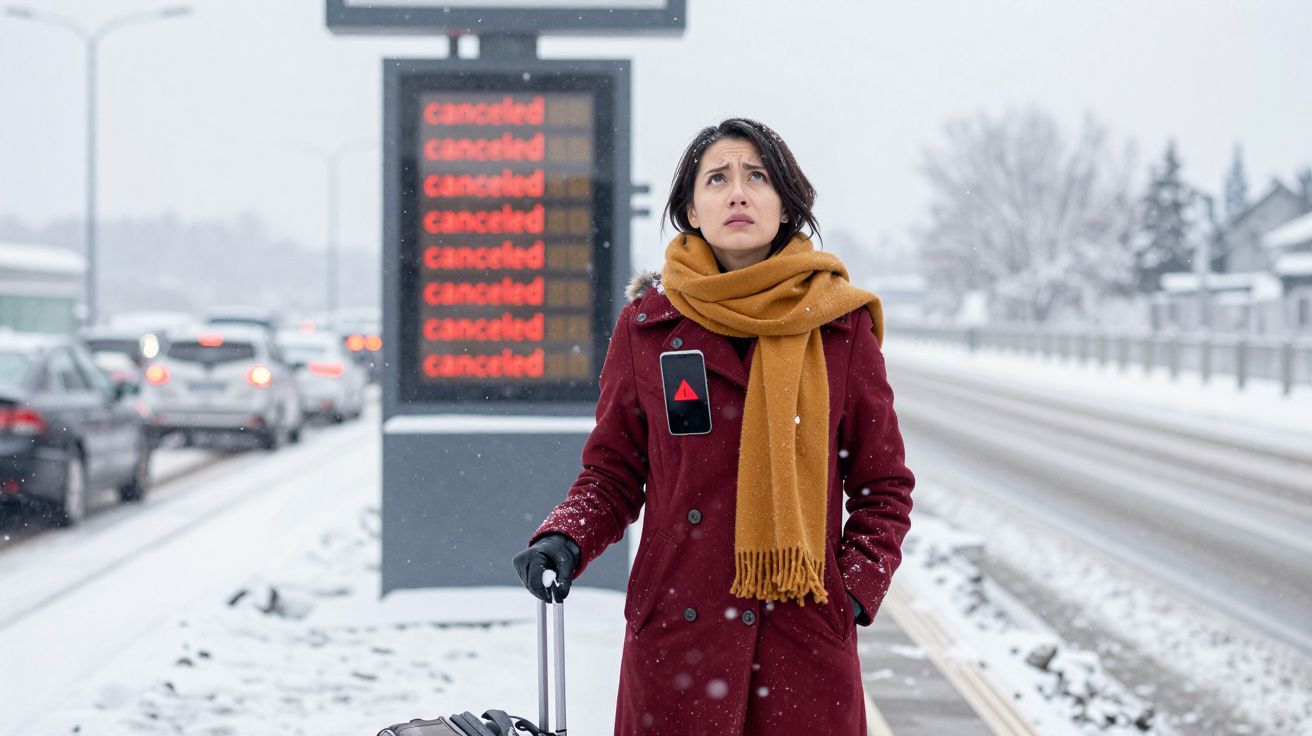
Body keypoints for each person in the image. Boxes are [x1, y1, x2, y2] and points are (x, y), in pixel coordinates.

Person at [512, 118, 915, 735]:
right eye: (718, 177)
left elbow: (882, 486)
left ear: (786, 206)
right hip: (678, 639)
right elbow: (614, 472)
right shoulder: (648, 328)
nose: (738, 192)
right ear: (691, 210)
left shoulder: (840, 328)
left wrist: (850, 593)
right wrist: (567, 537)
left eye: (758, 176)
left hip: (802, 645)